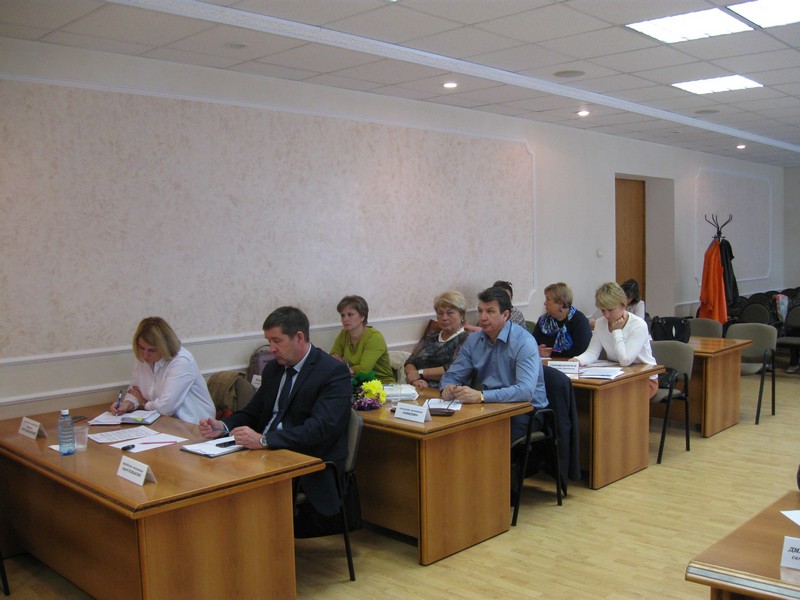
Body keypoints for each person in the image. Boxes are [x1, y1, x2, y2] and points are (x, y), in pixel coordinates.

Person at [199, 306, 351, 516]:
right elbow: (253, 412)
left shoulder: (332, 371)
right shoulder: (274, 369)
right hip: (264, 451)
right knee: (212, 473)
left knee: (238, 487)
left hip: (304, 457)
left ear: (299, 338)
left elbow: (319, 429)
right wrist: (223, 425)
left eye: (277, 341)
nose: (271, 349)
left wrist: (264, 440)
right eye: (269, 341)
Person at [440, 286, 548, 442]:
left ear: (505, 315)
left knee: (481, 439)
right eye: (480, 311)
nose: (483, 317)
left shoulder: (524, 341)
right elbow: (453, 374)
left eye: (490, 311)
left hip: (524, 412)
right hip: (489, 407)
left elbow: (525, 391)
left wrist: (481, 396)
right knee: (453, 432)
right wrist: (447, 387)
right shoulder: (473, 340)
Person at [110, 317, 215, 424]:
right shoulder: (143, 358)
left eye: (151, 350)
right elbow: (135, 390)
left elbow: (166, 408)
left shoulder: (181, 361)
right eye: (141, 348)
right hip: (159, 420)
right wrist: (128, 404)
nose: (145, 354)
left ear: (164, 346)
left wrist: (144, 403)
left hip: (194, 423)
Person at [573, 282, 658, 398]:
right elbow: (592, 352)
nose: (606, 315)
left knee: (614, 398)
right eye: (603, 310)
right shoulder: (600, 323)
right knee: (589, 395)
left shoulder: (638, 325)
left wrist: (617, 331)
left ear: (623, 305)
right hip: (616, 377)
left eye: (610, 310)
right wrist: (577, 360)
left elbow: (625, 361)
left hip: (643, 379)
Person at [404, 290, 471, 389]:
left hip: (446, 390)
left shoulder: (467, 338)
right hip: (417, 386)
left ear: (461, 315)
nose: (444, 318)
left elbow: (453, 369)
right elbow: (410, 362)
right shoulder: (432, 335)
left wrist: (420, 373)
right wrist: (416, 379)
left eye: (449, 313)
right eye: (440, 313)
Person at [330, 295, 395, 383]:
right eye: (342, 315)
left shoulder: (374, 337)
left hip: (381, 383)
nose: (345, 319)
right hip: (354, 381)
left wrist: (343, 366)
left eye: (350, 315)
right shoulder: (344, 334)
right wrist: (346, 369)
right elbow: (332, 359)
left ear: (362, 317)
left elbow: (364, 370)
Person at [533, 282, 592, 359]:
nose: (545, 303)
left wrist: (551, 353)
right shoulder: (543, 321)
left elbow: (581, 351)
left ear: (561, 303)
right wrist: (537, 350)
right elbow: (531, 344)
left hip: (572, 363)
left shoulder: (579, 321)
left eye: (548, 299)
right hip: (545, 363)